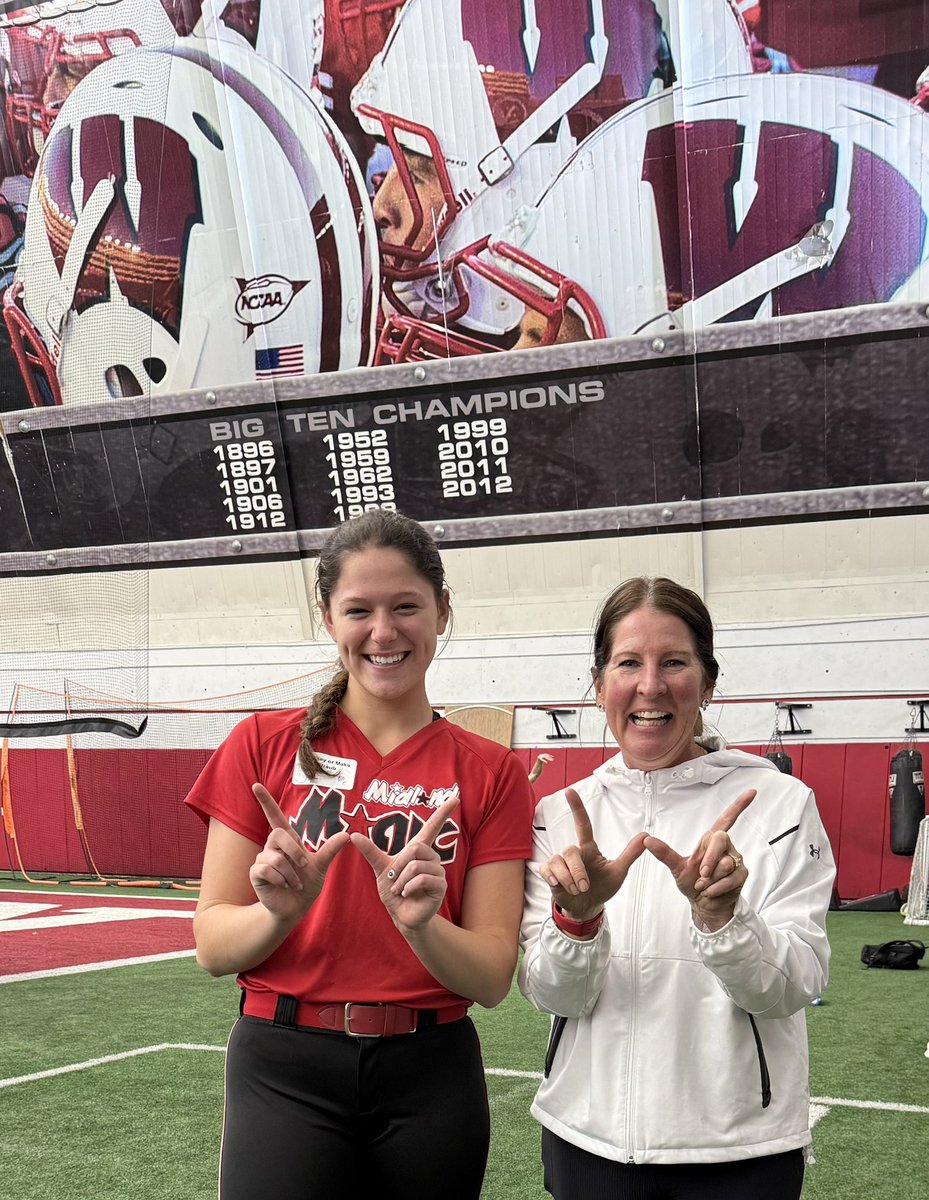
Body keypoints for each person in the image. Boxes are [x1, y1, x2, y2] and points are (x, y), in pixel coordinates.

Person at [185, 509, 534, 1200]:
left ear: (442, 611)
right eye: (358, 610)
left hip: (430, 1073)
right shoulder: (261, 744)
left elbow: (492, 979)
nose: (383, 632)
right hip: (283, 1064)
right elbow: (213, 946)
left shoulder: (492, 773)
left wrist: (421, 925)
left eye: (406, 606)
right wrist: (279, 915)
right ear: (327, 618)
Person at [519, 576, 836, 1199]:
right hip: (586, 1140)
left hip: (738, 1150)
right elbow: (554, 995)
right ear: (599, 681)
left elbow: (797, 982)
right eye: (628, 663)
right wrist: (577, 922)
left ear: (708, 682)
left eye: (674, 663)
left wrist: (724, 920)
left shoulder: (778, 802)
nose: (650, 686)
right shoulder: (559, 813)